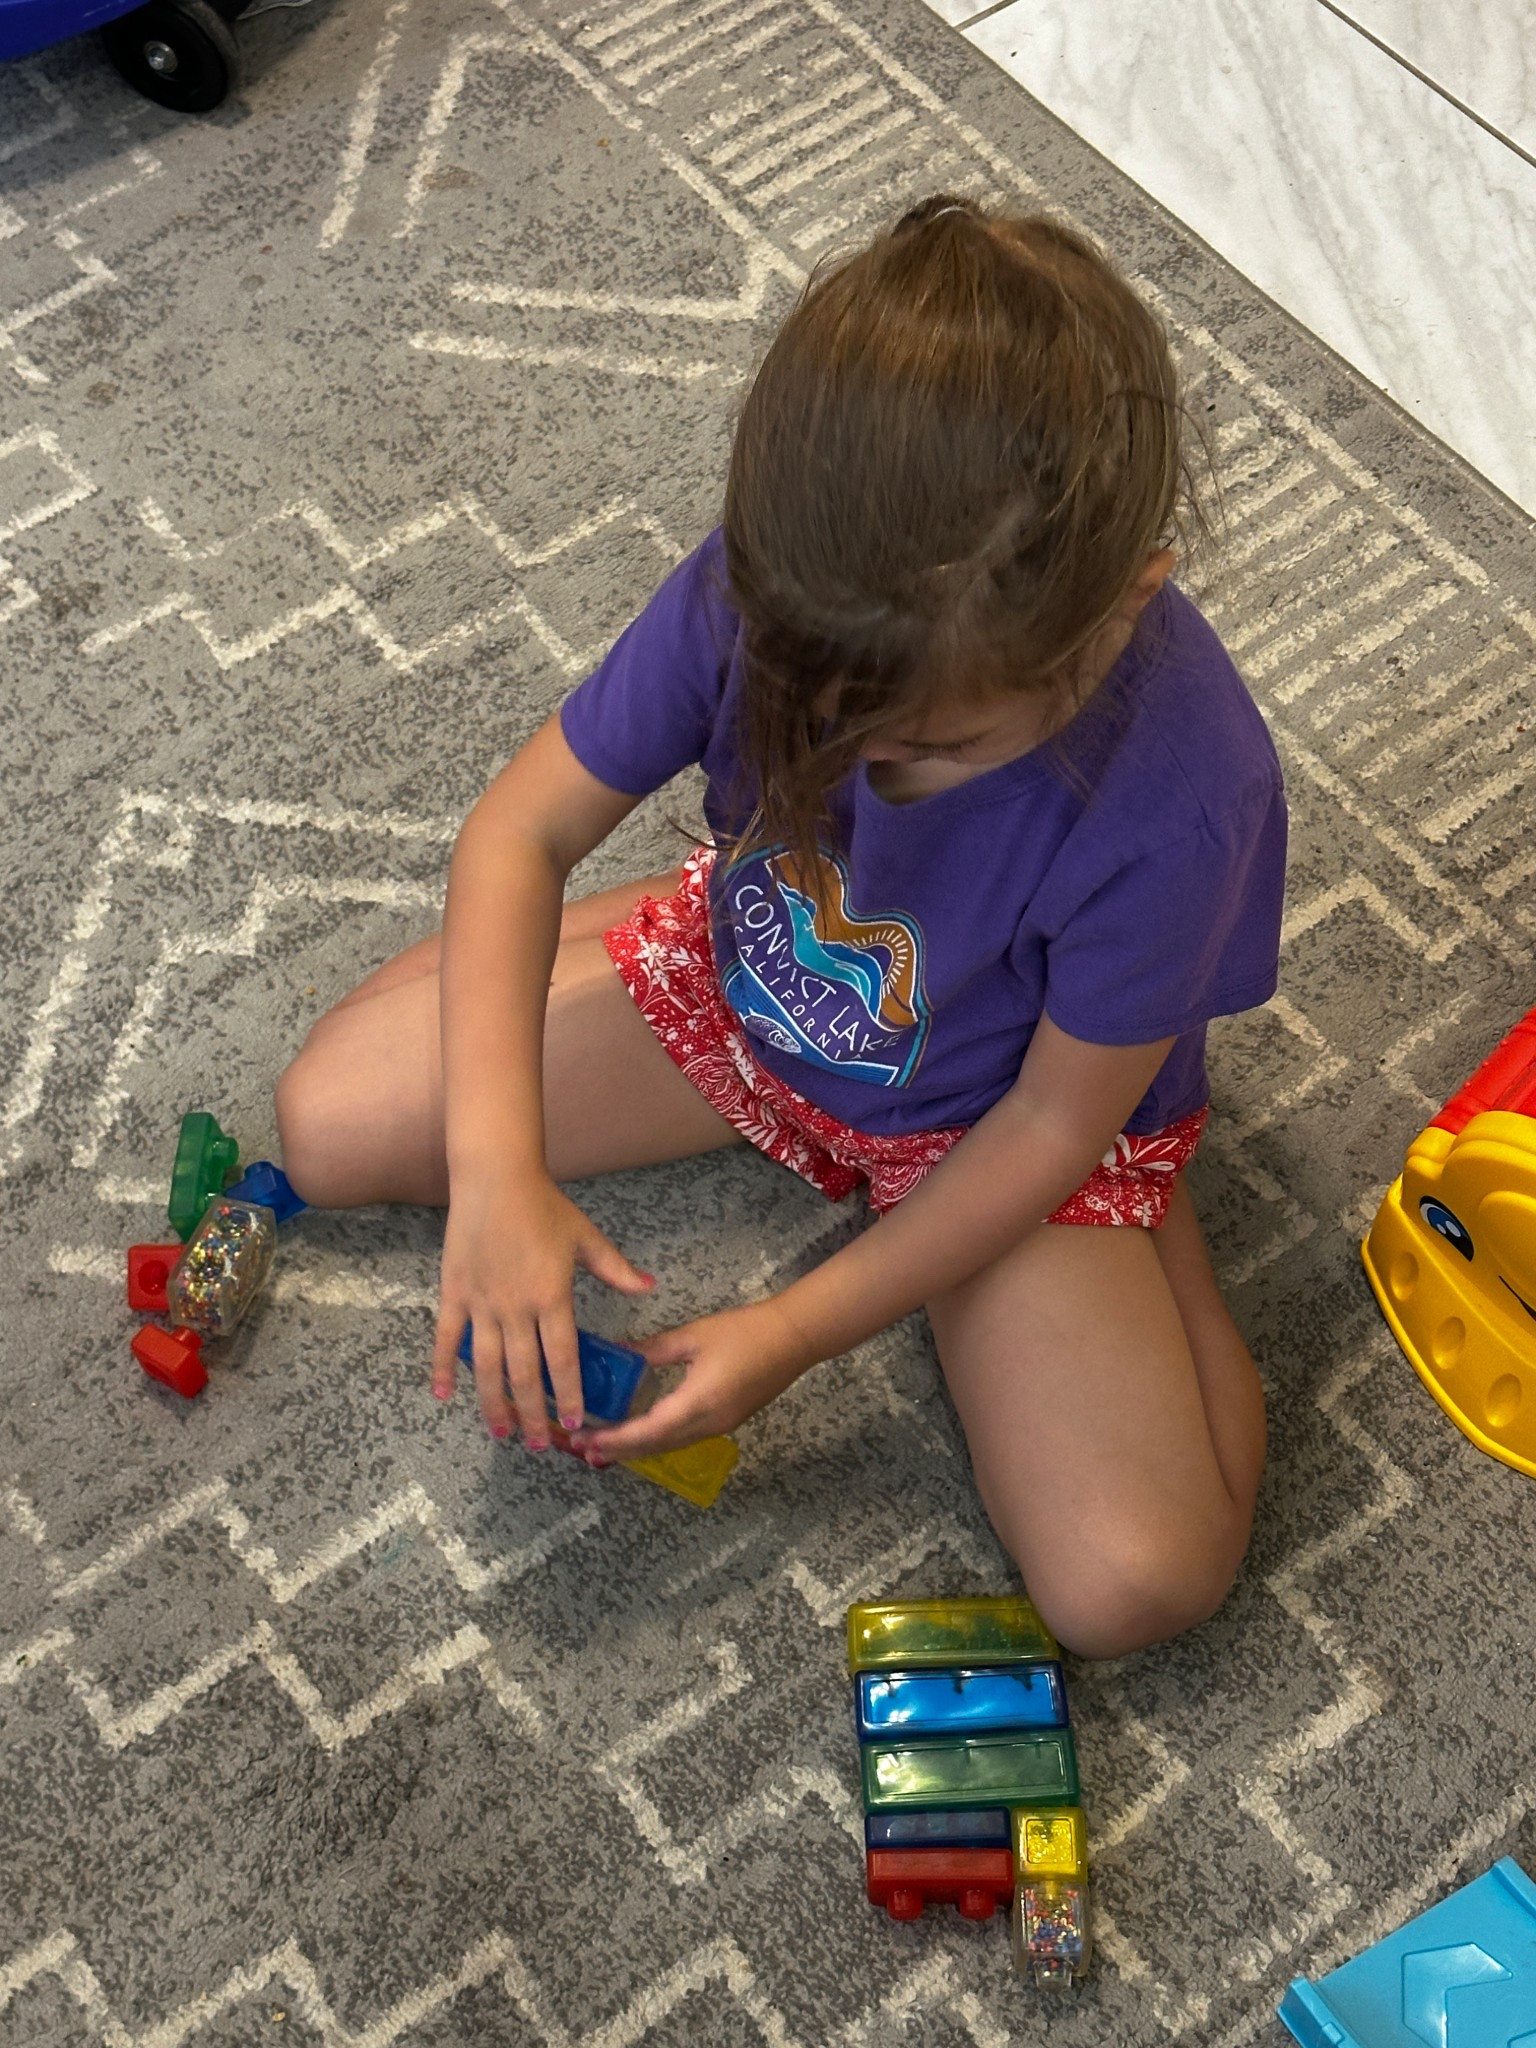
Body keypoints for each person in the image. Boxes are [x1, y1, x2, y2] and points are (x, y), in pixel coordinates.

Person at [274, 196, 1287, 1659]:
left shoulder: (1185, 792)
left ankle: (1163, 1194)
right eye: (826, 728)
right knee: (323, 1124)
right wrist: (498, 1175)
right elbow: (517, 832)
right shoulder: (785, 583)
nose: (870, 778)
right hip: (759, 985)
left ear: (1125, 606)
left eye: (934, 748)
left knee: (1137, 1583)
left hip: (1011, 1118)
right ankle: (677, 925)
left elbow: (1046, 1134)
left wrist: (791, 1331)